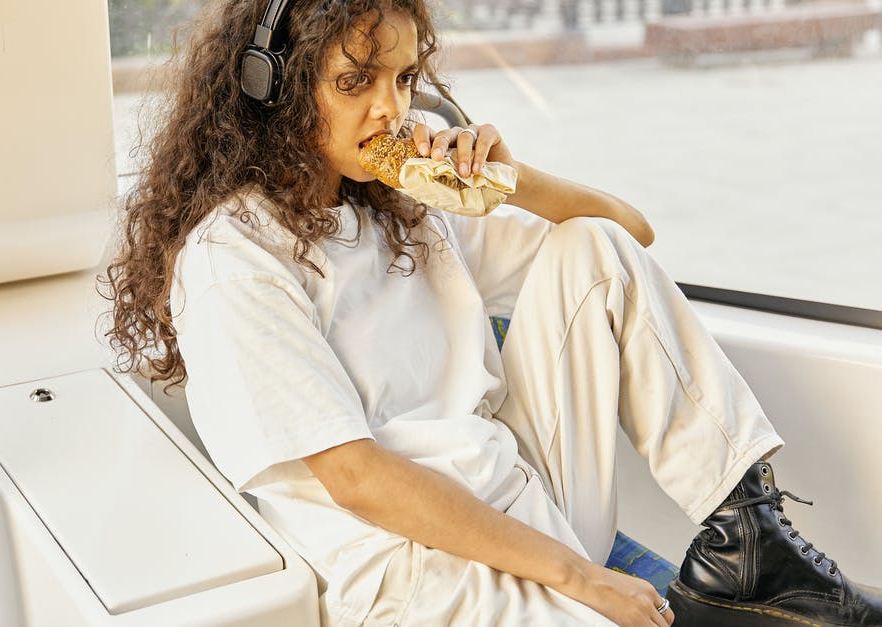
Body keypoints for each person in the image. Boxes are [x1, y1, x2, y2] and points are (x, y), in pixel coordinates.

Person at [100, 0, 882, 625]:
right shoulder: (233, 256)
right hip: (417, 566)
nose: (390, 110)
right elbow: (359, 479)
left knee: (591, 253)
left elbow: (626, 237)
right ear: (272, 86)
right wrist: (583, 576)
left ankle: (746, 540)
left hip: (521, 486)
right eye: (355, 83)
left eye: (405, 79)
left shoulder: (406, 199)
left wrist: (512, 178)